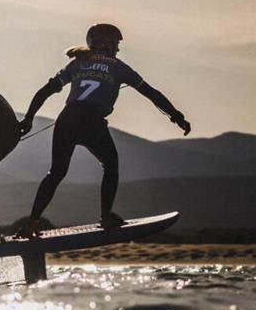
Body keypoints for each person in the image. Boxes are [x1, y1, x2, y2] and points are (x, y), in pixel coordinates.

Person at [17, 23, 191, 236]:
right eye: (116, 44)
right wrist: (176, 116)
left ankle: (32, 223)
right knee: (110, 165)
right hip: (92, 121)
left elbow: (45, 91)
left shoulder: (78, 63)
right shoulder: (119, 67)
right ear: (106, 43)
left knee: (56, 173)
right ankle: (106, 216)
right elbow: (151, 93)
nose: (117, 49)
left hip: (68, 119)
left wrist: (28, 119)